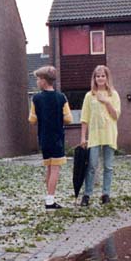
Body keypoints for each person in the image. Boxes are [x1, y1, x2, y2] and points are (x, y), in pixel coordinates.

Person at [30, 65, 73, 209]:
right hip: (57, 138)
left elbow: (32, 120)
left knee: (48, 168)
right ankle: (50, 200)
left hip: (43, 138)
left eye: (37, 79)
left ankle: (48, 197)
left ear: (43, 80)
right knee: (55, 169)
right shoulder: (61, 97)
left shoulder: (36, 99)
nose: (36, 82)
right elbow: (69, 119)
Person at [79, 65, 121, 206]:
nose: (100, 78)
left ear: (107, 77)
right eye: (98, 76)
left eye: (103, 75)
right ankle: (87, 195)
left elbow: (116, 116)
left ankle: (106, 194)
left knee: (108, 166)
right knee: (92, 165)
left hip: (109, 134)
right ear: (94, 78)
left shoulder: (113, 95)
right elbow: (85, 118)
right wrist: (83, 137)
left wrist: (107, 102)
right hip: (95, 135)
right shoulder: (89, 96)